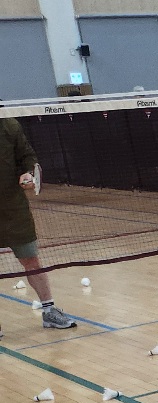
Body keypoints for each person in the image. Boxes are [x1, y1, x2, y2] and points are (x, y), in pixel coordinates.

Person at [0, 115, 77, 337]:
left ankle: (49, 311)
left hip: (13, 207)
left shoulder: (9, 125)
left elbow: (27, 156)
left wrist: (27, 172)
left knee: (31, 260)